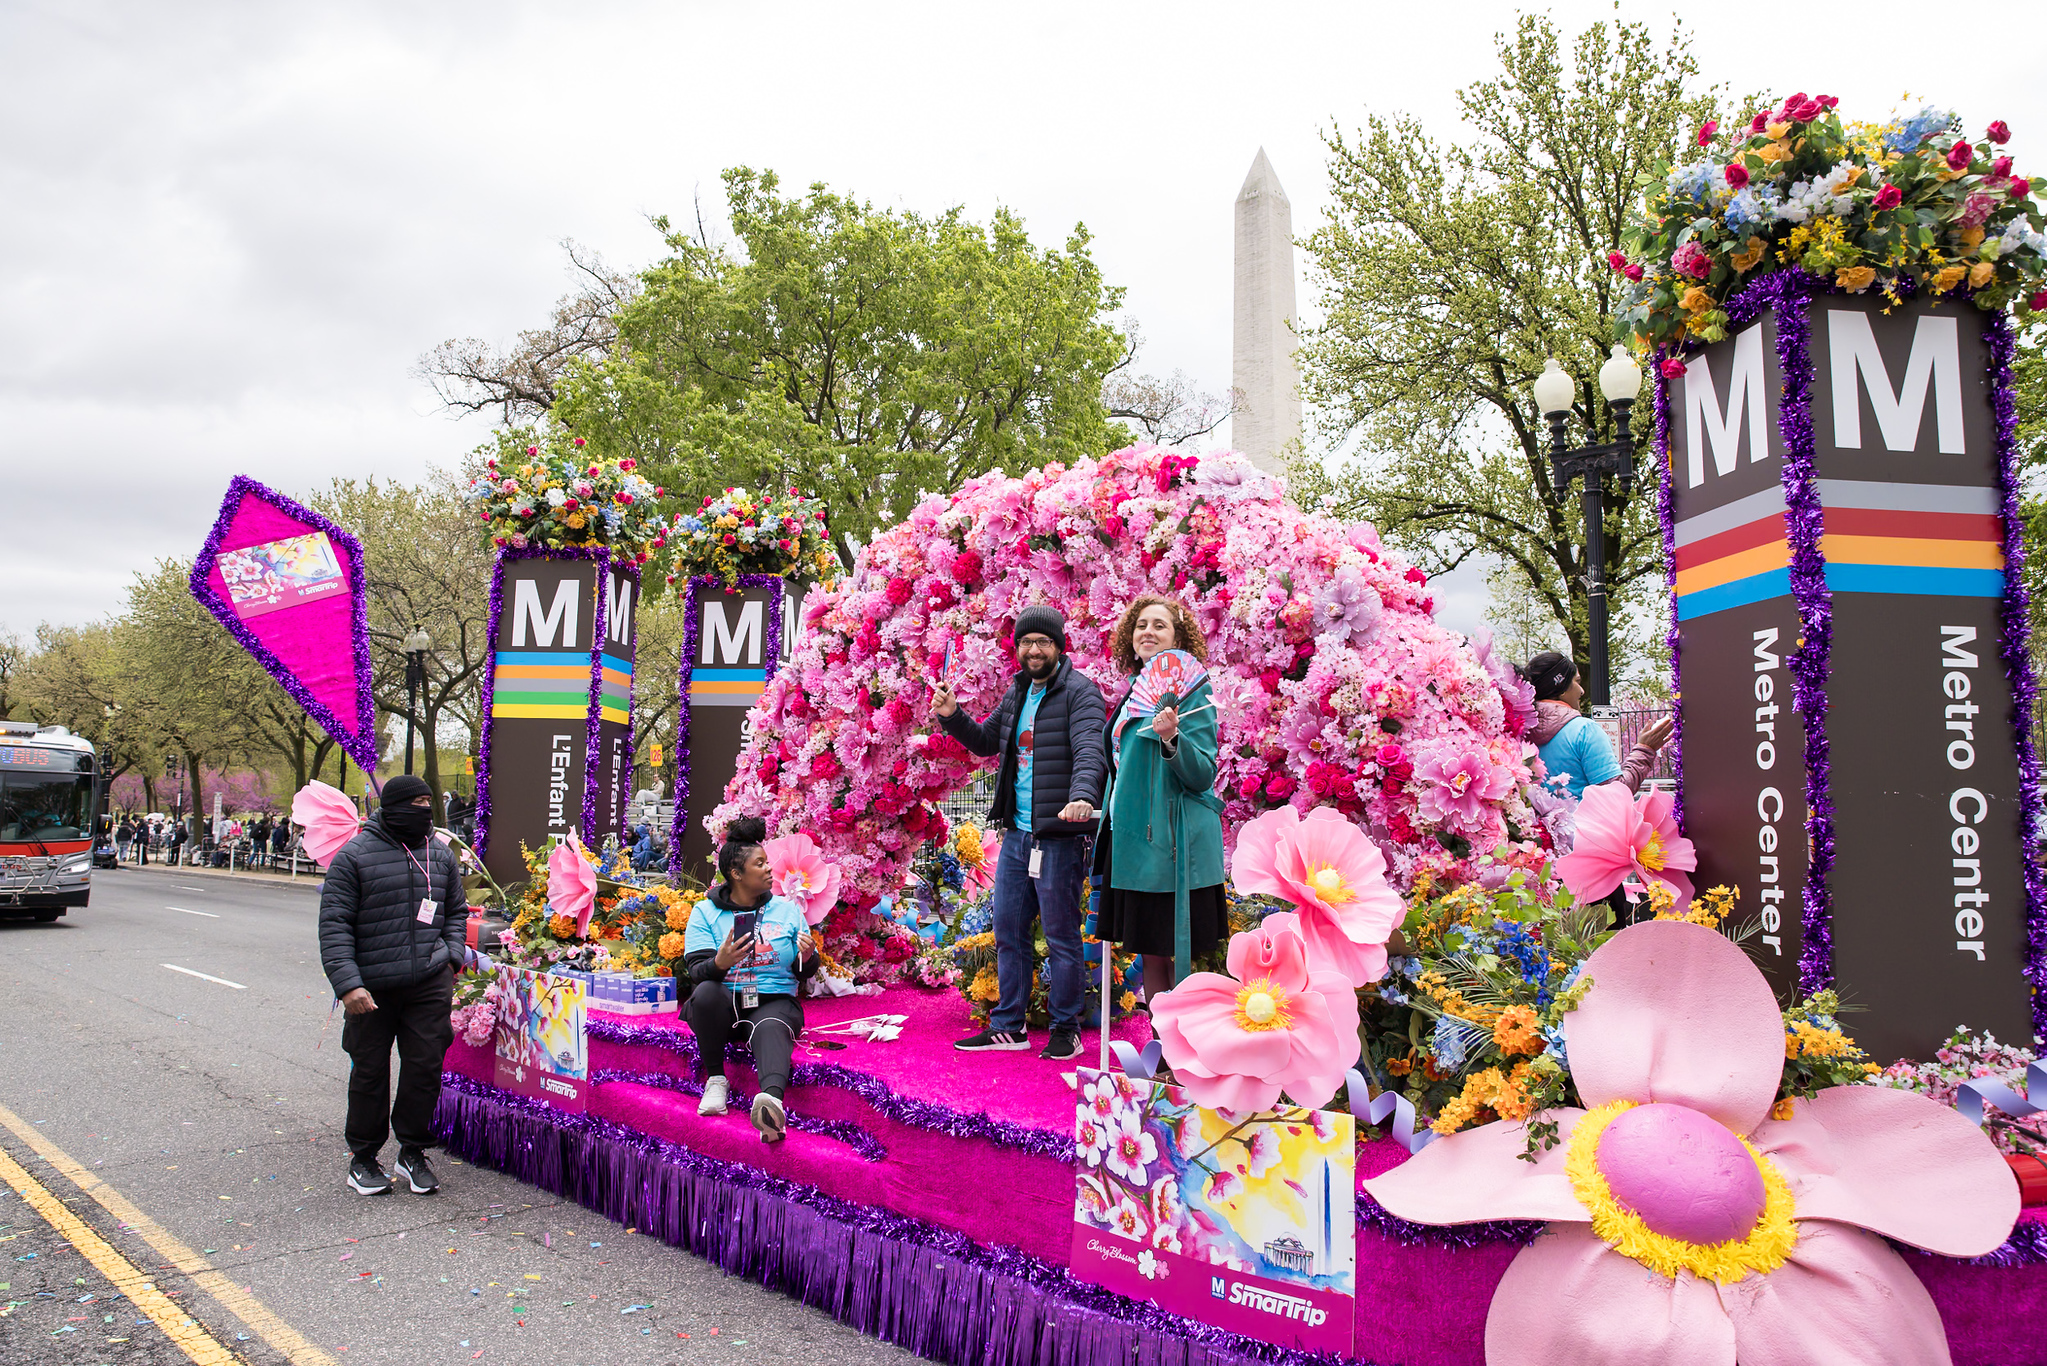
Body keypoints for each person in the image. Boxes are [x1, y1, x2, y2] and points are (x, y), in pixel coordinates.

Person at [935, 604, 1107, 1060]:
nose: (1034, 649)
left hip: (1059, 836)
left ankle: (1065, 1029)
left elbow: (1092, 750)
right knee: (1008, 932)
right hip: (1017, 836)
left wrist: (1084, 795)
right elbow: (987, 742)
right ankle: (1008, 1026)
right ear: (1017, 649)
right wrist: (953, 716)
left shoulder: (1081, 693)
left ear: (1058, 646)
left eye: (1043, 642)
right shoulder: (1016, 693)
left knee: (1061, 937)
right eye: (1026, 642)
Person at [317, 774, 467, 1197]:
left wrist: (451, 955)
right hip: (372, 988)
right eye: (416, 802)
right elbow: (335, 926)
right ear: (395, 805)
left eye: (428, 802)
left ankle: (412, 1151)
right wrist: (348, 985)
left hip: (428, 983)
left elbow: (456, 911)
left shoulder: (439, 855)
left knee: (424, 1069)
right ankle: (363, 1158)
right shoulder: (355, 857)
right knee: (370, 1071)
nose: (424, 809)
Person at [1095, 595, 1227, 1005]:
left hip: (1173, 845)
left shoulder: (1193, 692)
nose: (1148, 632)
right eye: (1141, 625)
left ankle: (1185, 1057)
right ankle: (1161, 1055)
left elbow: (1202, 772)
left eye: (1159, 625)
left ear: (1178, 638)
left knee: (1181, 960)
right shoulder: (1135, 693)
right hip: (1134, 841)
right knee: (1151, 953)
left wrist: (1173, 738)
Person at [680, 816, 819, 1143]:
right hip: (725, 1007)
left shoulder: (788, 911)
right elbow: (696, 972)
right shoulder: (705, 913)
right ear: (737, 874)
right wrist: (719, 962)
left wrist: (809, 957)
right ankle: (716, 1080)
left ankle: (771, 1106)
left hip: (773, 1002)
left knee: (771, 1025)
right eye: (760, 864)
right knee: (705, 994)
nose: (769, 869)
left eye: (767, 862)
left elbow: (805, 972)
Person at [1522, 652, 1672, 800]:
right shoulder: (1584, 731)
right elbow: (1615, 794)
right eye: (1577, 681)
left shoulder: (1517, 734)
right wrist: (1645, 749)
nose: (1582, 691)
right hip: (1583, 823)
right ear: (1562, 688)